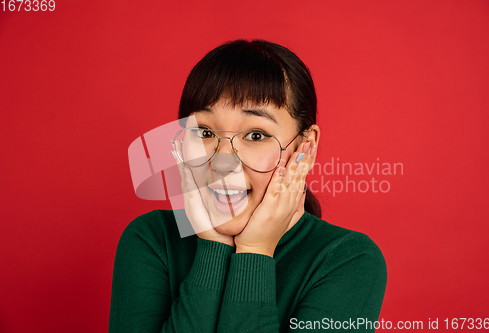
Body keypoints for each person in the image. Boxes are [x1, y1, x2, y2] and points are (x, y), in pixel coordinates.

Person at [109, 39, 387, 332]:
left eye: (256, 135)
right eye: (204, 131)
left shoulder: (348, 260)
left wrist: (255, 250)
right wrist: (213, 247)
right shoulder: (152, 238)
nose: (222, 161)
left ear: (305, 148)